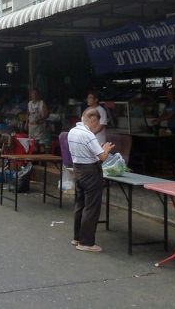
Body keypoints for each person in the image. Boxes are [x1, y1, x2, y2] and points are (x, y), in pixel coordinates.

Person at [68, 107, 115, 253]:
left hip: (78, 170)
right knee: (91, 207)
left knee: (80, 205)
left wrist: (98, 150)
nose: (97, 126)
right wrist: (106, 149)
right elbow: (102, 157)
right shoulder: (88, 135)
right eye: (96, 123)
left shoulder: (72, 132)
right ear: (93, 120)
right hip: (90, 172)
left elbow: (88, 151)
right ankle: (86, 242)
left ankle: (77, 237)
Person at [158, 87, 175, 171]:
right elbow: (164, 113)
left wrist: (160, 120)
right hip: (170, 128)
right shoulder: (168, 104)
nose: (168, 95)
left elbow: (170, 116)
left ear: (174, 94)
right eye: (167, 94)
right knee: (170, 146)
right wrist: (158, 119)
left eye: (169, 94)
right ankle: (174, 164)